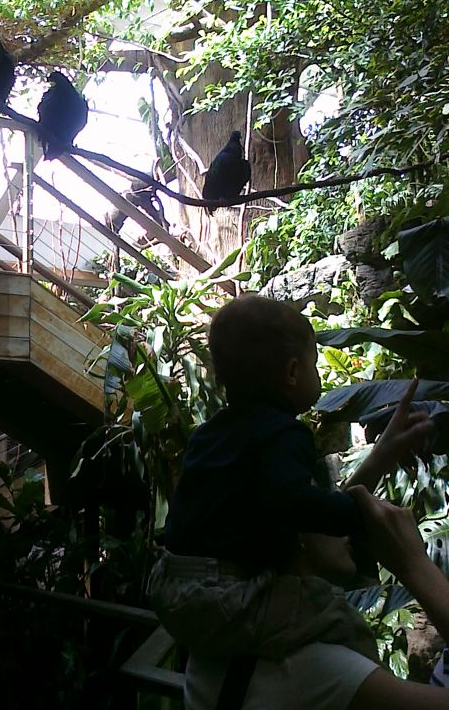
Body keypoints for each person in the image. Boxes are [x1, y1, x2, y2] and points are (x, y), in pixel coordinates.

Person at [148, 295, 432, 670]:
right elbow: (295, 502)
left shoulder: (209, 435)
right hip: (225, 595)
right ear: (293, 372)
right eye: (314, 364)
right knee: (343, 623)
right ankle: (362, 686)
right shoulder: (284, 433)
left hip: (170, 586)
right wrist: (362, 514)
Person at [183, 489, 449, 709]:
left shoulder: (224, 628)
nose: (344, 530)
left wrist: (386, 451)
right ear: (300, 536)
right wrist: (414, 563)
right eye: (324, 508)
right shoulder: (321, 672)